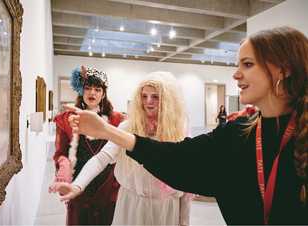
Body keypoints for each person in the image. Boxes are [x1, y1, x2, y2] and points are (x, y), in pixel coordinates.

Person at [66, 26, 308, 225]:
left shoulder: (185, 128)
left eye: (247, 64)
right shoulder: (237, 134)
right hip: (132, 207)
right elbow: (178, 160)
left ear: (282, 70)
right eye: (144, 95)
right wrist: (105, 134)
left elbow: (182, 182)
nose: (235, 75)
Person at [50, 72, 192, 225]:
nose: (148, 102)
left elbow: (187, 180)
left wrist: (184, 221)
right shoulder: (128, 126)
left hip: (166, 208)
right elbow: (102, 158)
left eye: (155, 96)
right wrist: (77, 185)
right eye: (144, 96)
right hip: (131, 205)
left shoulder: (179, 132)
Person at [50, 66, 123, 225]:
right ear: (81, 91)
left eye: (97, 89)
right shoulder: (65, 119)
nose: (92, 93)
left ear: (103, 93)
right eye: (88, 88)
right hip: (79, 185)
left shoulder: (117, 120)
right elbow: (60, 153)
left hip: (108, 186)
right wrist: (63, 168)